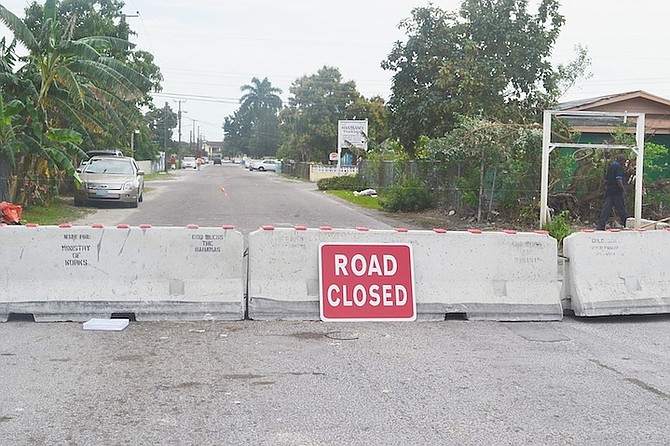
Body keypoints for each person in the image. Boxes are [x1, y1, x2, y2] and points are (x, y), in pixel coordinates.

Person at [596, 153, 628, 230]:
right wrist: (623, 190)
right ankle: (626, 224)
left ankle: (600, 225)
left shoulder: (610, 167)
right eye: (624, 161)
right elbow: (619, 180)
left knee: (606, 209)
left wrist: (608, 189)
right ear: (621, 160)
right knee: (621, 209)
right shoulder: (619, 167)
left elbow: (606, 181)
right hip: (617, 192)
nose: (624, 163)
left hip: (609, 192)